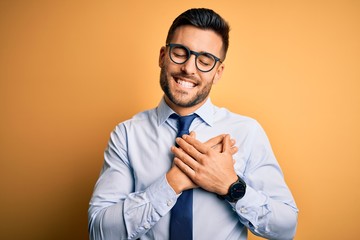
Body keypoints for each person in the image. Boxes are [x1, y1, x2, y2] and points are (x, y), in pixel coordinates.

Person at [88, 8, 298, 240]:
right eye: (180, 53)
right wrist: (172, 183)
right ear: (162, 56)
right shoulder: (127, 134)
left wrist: (230, 186)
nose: (189, 68)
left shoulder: (247, 132)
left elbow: (286, 227)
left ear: (218, 72)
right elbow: (99, 232)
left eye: (205, 60)